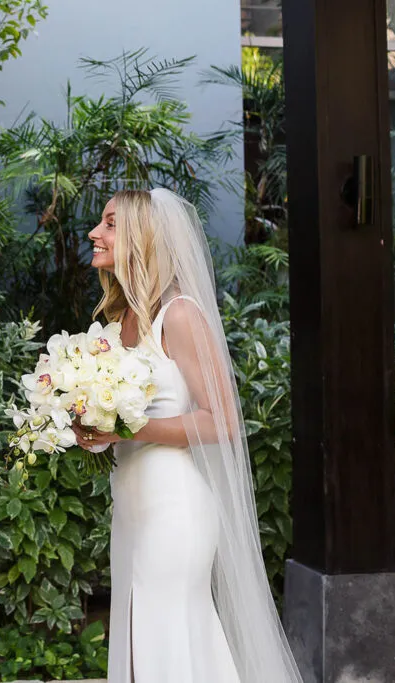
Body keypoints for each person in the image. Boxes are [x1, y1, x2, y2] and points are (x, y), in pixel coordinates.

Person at [75, 188, 303, 683]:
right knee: (140, 646)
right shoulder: (121, 320)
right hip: (133, 508)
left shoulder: (178, 313)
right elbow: (118, 419)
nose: (95, 232)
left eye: (110, 223)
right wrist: (85, 426)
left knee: (170, 645)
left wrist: (126, 428)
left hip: (175, 511)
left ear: (143, 236)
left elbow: (221, 419)